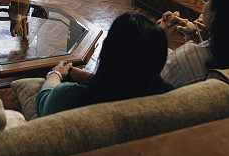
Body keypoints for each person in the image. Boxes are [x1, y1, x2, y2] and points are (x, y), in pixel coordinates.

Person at [35, 13, 171, 117]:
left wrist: (56, 73)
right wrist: (84, 76)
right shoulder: (168, 98)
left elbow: (43, 102)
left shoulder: (71, 97)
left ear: (108, 52)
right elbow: (124, 81)